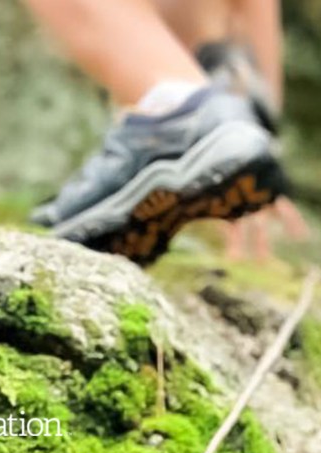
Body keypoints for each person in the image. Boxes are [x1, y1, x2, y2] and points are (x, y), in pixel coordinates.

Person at [23, 0, 304, 264]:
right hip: (234, 99)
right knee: (219, 124)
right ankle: (206, 116)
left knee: (185, 106)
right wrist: (253, 132)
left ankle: (175, 107)